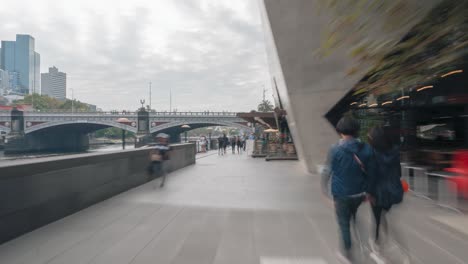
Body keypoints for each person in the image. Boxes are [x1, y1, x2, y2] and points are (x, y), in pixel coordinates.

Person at [321, 116, 372, 263]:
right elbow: (371, 171)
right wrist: (369, 191)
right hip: (360, 194)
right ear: (356, 131)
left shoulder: (335, 149)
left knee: (344, 223)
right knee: (355, 217)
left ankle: (347, 254)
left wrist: (324, 189)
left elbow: (327, 171)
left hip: (341, 194)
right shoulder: (365, 148)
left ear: (340, 131)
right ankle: (364, 244)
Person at [366, 126, 408, 262]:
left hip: (378, 193)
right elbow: (399, 173)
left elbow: (371, 177)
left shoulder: (372, 154)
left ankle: (377, 247)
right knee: (385, 216)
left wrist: (369, 193)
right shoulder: (395, 152)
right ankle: (398, 249)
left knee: (377, 219)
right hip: (392, 192)